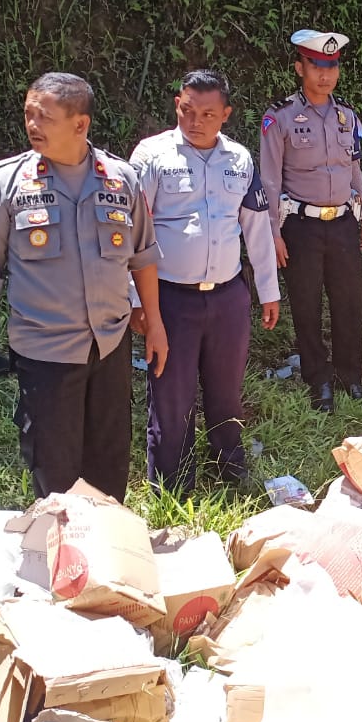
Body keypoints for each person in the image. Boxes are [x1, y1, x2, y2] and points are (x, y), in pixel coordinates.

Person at [0, 73, 166, 501]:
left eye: (44, 117)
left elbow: (143, 257)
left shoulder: (122, 179)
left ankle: (105, 560)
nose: (32, 124)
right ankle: (58, 559)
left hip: (110, 347)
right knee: (55, 474)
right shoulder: (6, 182)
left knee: (109, 466)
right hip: (46, 354)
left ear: (79, 124)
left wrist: (155, 322)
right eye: (29, 114)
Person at [129, 69, 280, 493]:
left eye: (208, 114)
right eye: (187, 110)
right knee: (171, 393)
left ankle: (229, 467)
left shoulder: (240, 159)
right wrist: (136, 301)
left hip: (229, 296)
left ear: (226, 115)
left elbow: (256, 228)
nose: (195, 121)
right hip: (170, 298)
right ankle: (172, 484)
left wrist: (268, 291)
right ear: (177, 104)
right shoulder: (152, 156)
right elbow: (133, 231)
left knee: (226, 388)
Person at [259, 29, 362, 413]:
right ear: (300, 67)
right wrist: (273, 233)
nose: (325, 74)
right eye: (316, 66)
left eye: (332, 66)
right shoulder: (280, 118)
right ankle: (318, 380)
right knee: (307, 306)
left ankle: (350, 376)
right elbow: (271, 181)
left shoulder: (347, 115)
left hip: (343, 222)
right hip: (301, 227)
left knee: (349, 303)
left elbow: (354, 170)